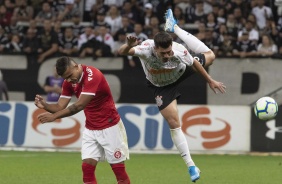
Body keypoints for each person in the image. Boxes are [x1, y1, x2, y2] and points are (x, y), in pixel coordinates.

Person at [118, 9, 226, 183]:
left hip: (181, 72)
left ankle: (175, 28)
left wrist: (210, 80)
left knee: (211, 56)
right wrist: (129, 45)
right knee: (174, 123)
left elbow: (195, 65)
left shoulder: (179, 51)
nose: (167, 56)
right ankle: (191, 165)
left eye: (169, 52)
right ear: (155, 48)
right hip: (161, 86)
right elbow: (122, 51)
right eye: (163, 53)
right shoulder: (145, 49)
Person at [34, 56, 130, 184]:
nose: (69, 80)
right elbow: (59, 106)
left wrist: (54, 117)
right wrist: (45, 105)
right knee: (87, 169)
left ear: (76, 66)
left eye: (70, 75)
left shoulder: (92, 75)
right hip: (91, 128)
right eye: (65, 78)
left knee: (119, 172)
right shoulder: (69, 81)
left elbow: (79, 105)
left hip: (110, 126)